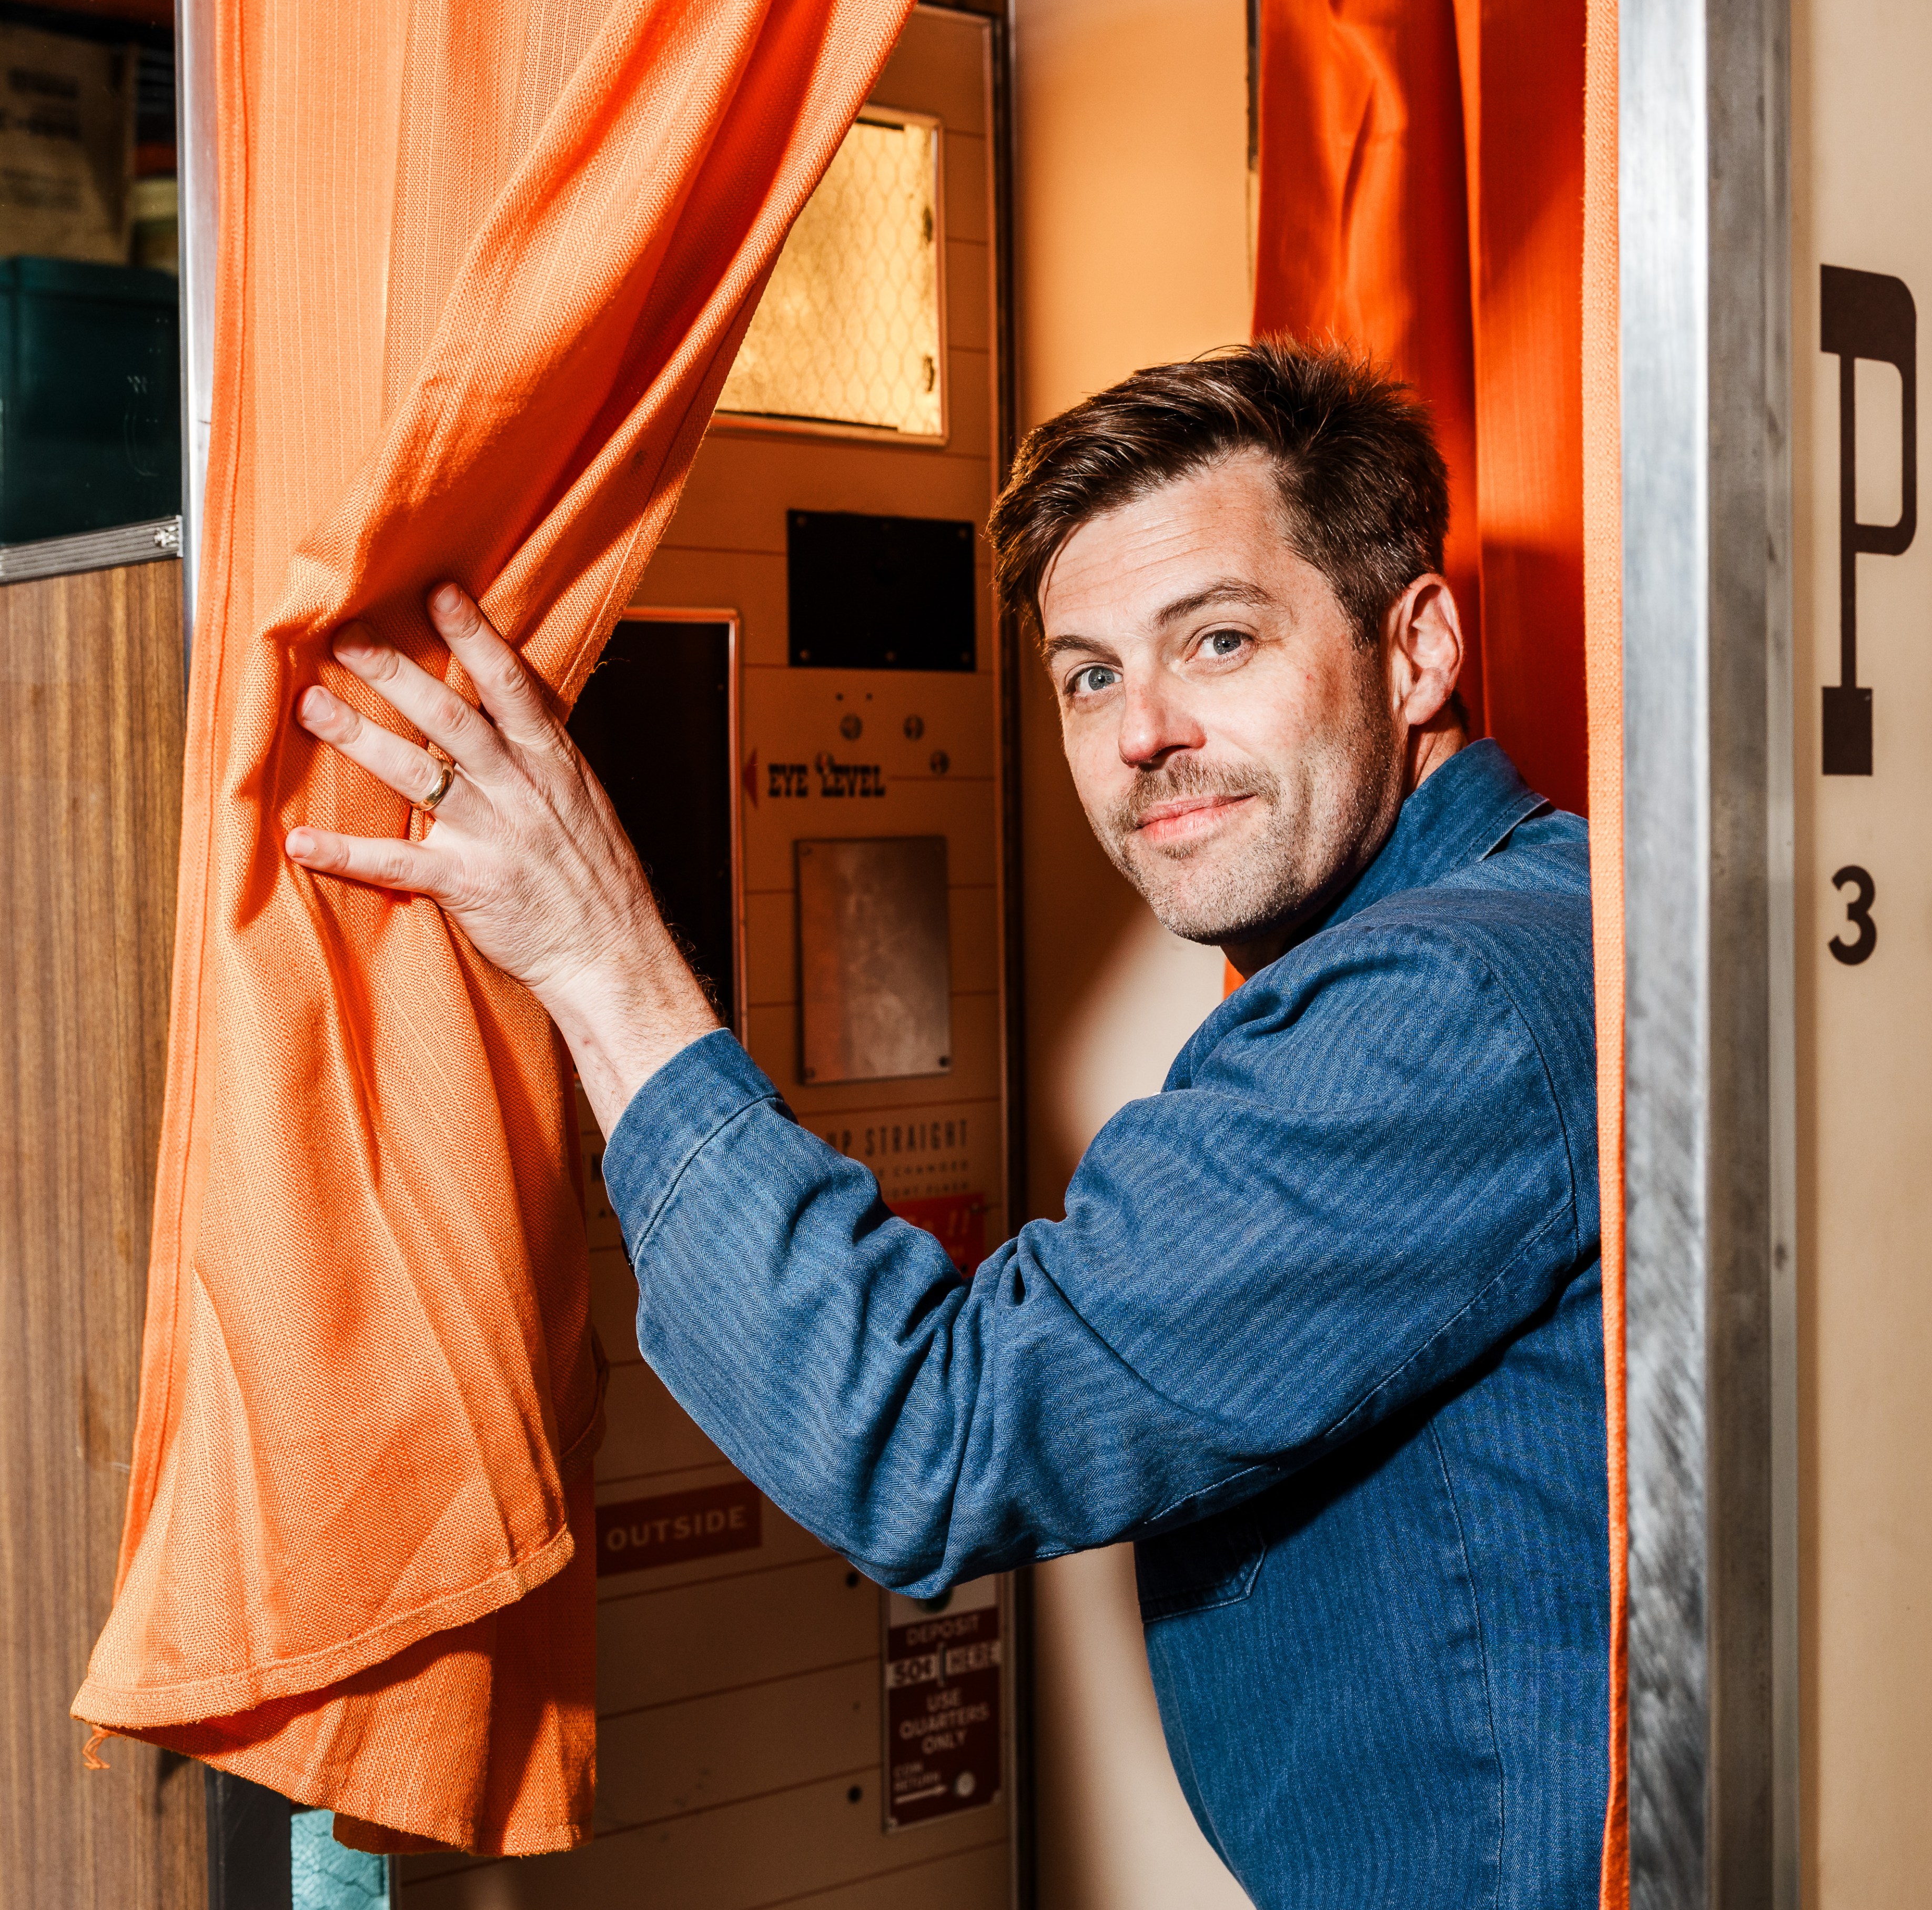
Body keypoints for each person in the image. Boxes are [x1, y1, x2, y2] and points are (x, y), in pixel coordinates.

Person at [285, 343, 1605, 1908]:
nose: (1142, 736)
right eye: (1092, 675)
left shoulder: (1441, 1002)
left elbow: (933, 1435)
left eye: (1222, 640)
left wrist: (603, 961)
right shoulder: (1531, 910)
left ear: (1420, 651)